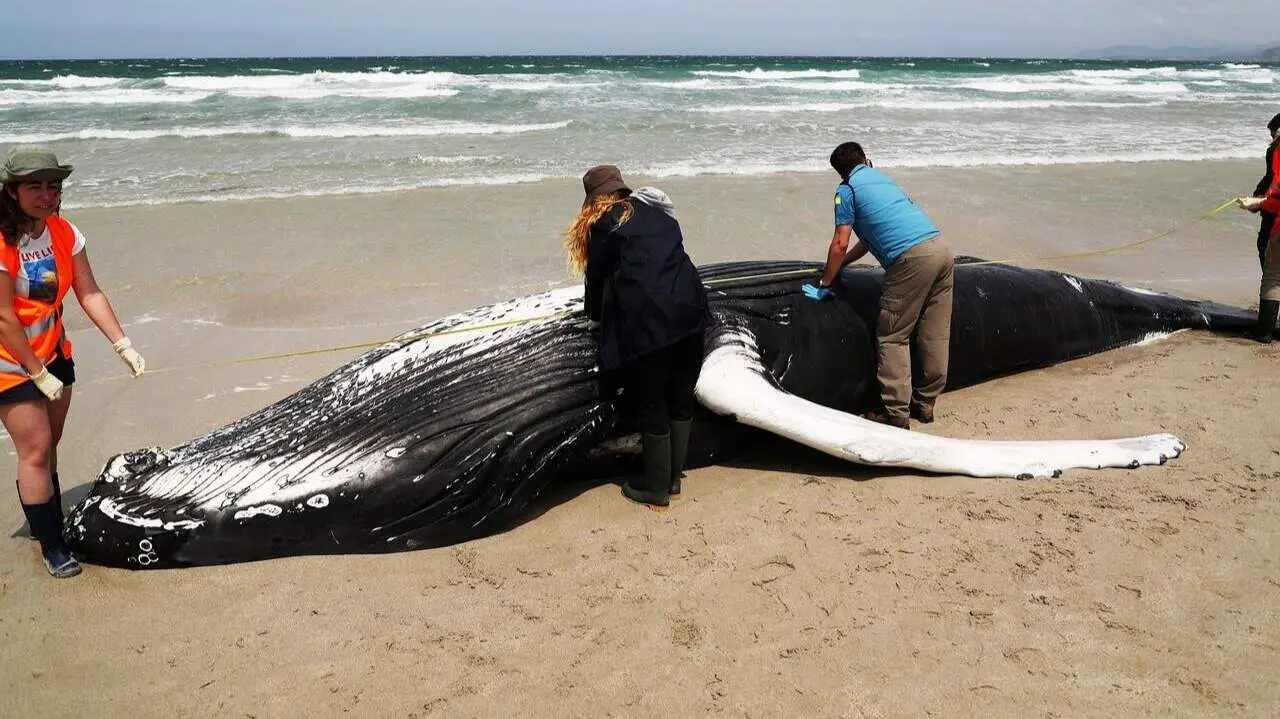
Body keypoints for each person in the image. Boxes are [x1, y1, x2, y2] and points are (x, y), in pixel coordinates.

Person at [0, 145, 146, 578]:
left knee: (51, 443)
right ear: (12, 191)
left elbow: (89, 291)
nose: (46, 195)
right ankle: (53, 545)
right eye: (35, 186)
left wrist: (123, 344)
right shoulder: (3, 240)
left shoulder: (64, 232)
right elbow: (4, 316)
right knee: (36, 447)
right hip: (10, 361)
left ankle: (45, 517)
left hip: (54, 352)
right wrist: (34, 372)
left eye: (53, 185)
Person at [564, 165, 708, 508]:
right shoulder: (659, 215)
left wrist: (594, 317)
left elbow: (597, 279)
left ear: (595, 200)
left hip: (651, 322)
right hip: (692, 310)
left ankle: (655, 489)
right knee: (680, 395)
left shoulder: (603, 224)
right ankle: (673, 480)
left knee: (651, 400)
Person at [802, 141, 954, 430]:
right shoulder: (883, 181)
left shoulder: (846, 191)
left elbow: (839, 242)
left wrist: (826, 281)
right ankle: (926, 403)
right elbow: (870, 239)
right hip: (941, 250)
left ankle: (896, 413)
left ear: (840, 173)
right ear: (866, 160)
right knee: (935, 331)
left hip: (912, 260)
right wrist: (844, 263)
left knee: (893, 334)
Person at [1237, 115, 1280, 344]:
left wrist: (1259, 203)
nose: (1272, 139)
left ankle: (1264, 332)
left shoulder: (1277, 150)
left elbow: (1275, 189)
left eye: (1274, 134)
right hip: (1272, 212)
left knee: (1273, 276)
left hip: (1276, 218)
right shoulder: (1273, 151)